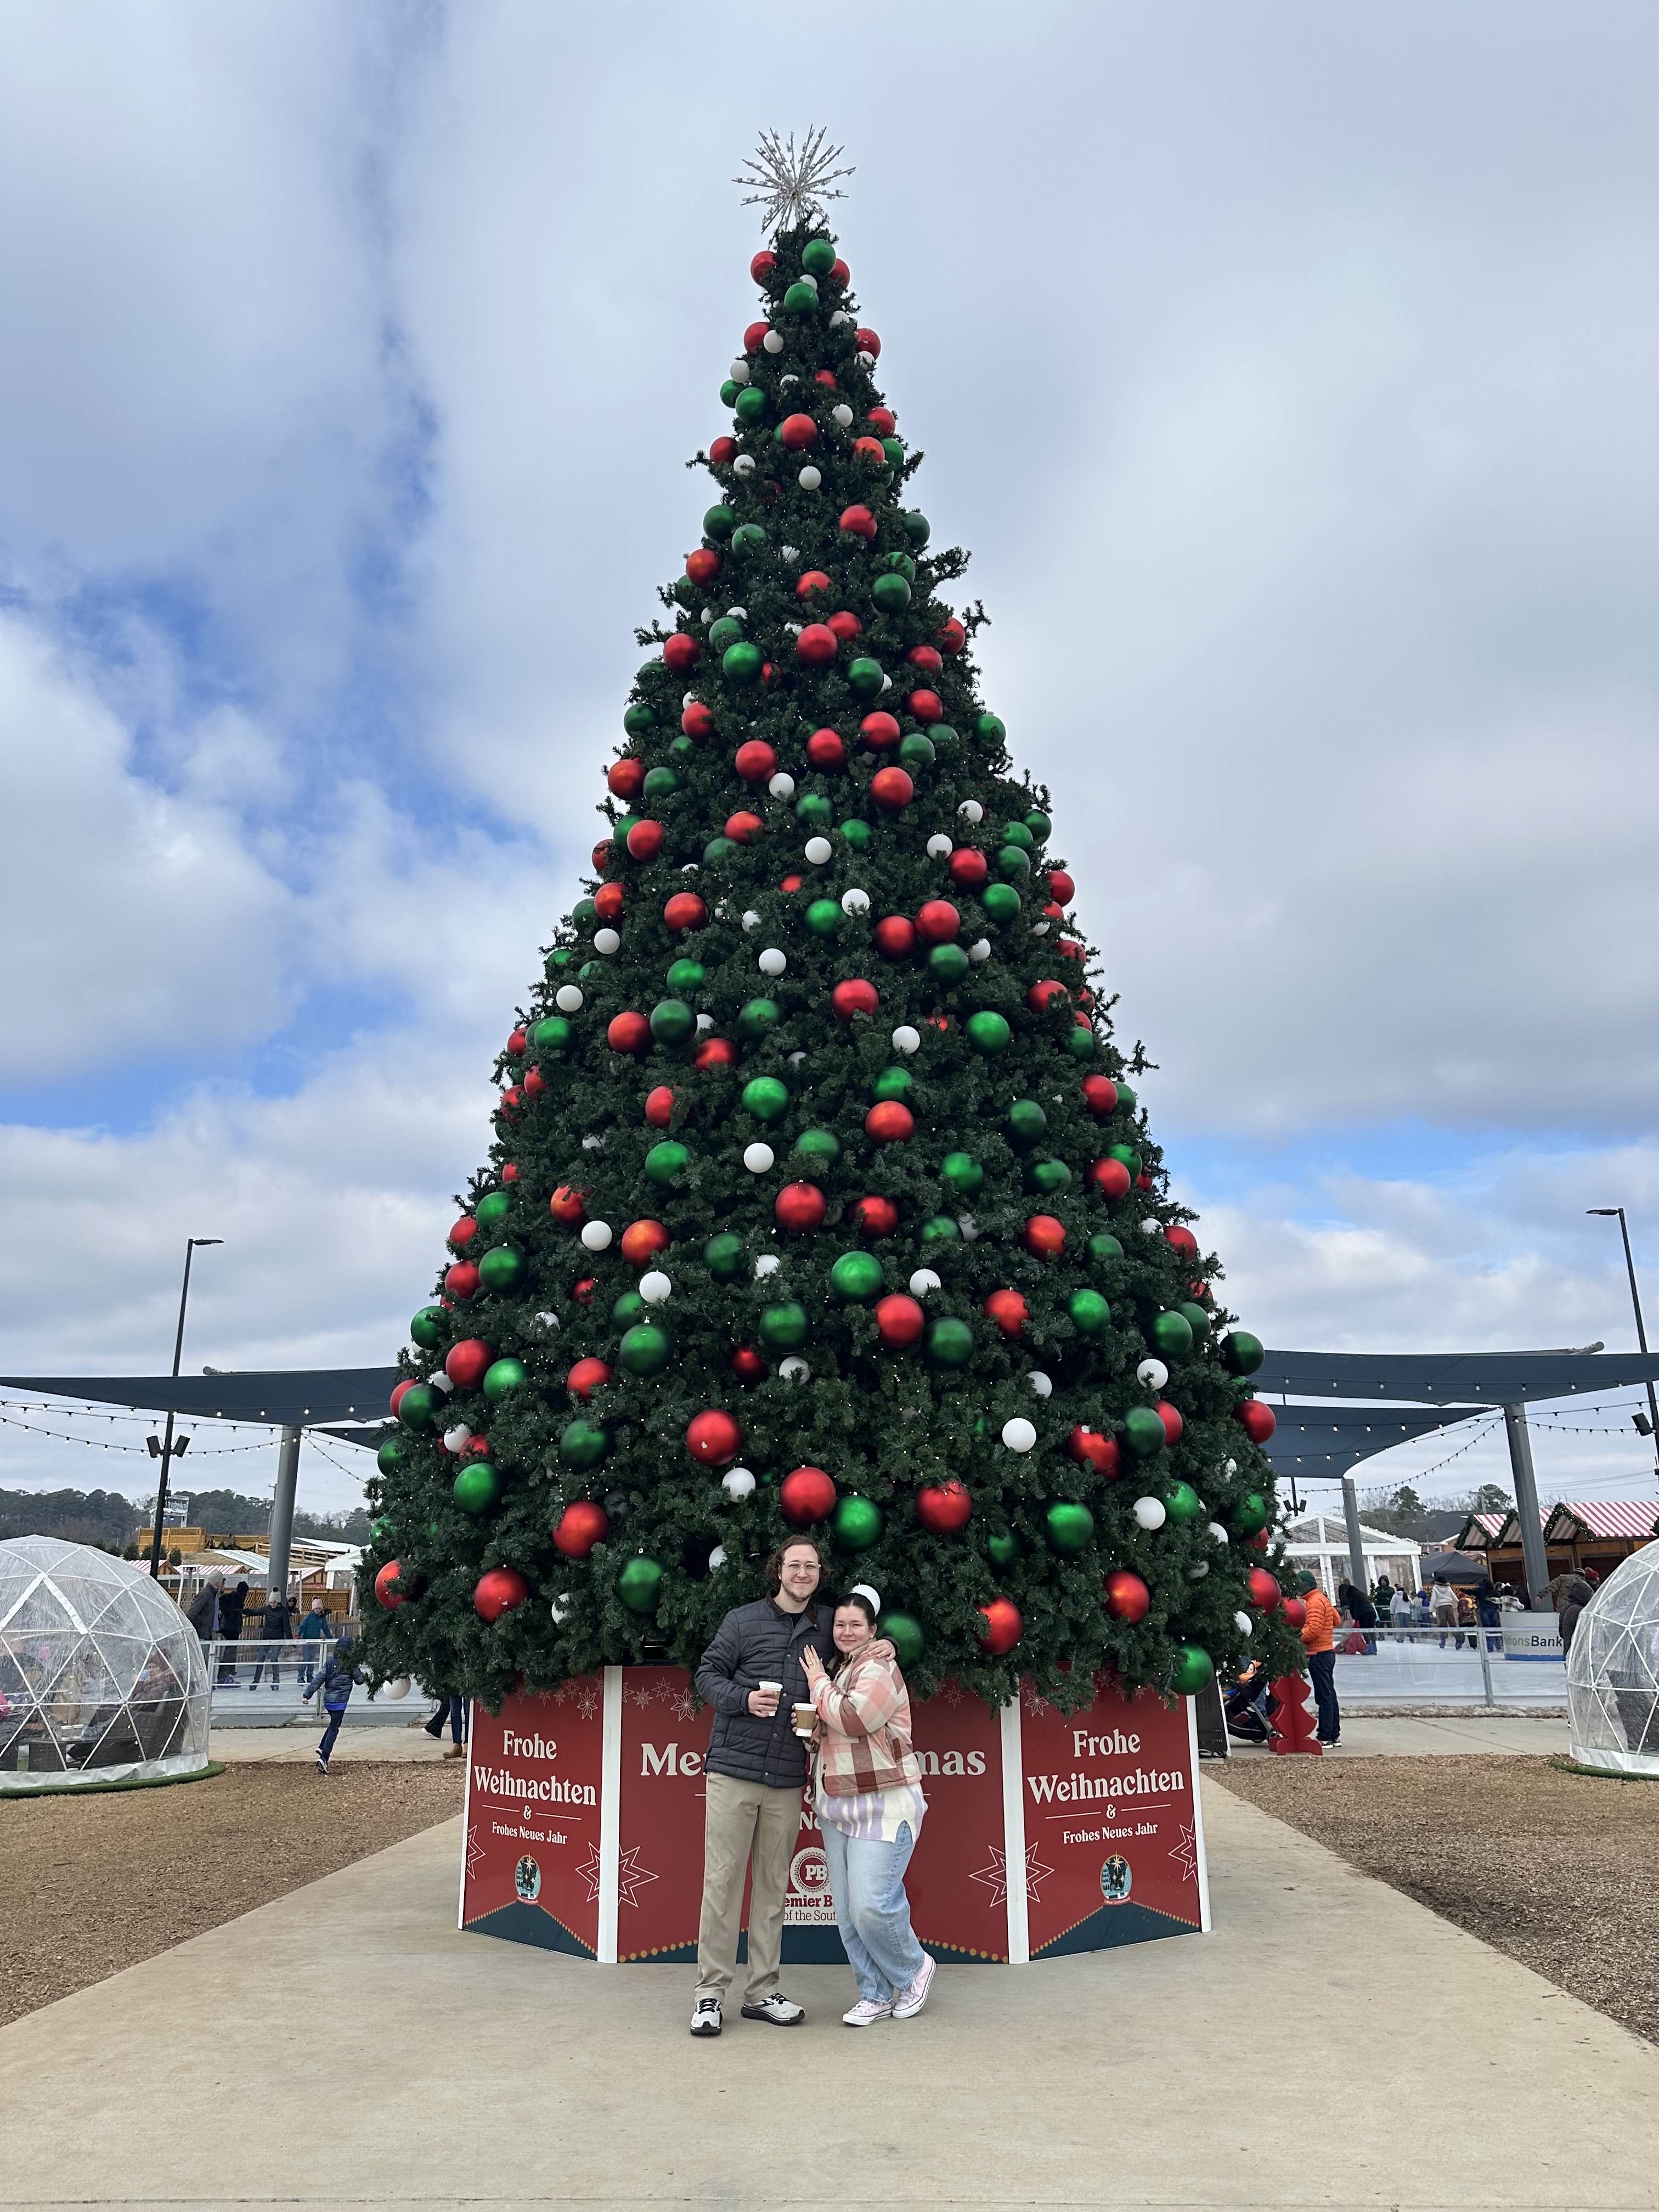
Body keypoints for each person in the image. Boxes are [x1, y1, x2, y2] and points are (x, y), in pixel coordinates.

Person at [689, 1536, 834, 2039]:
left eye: (810, 1566)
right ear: (778, 1571)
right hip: (734, 1770)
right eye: (794, 1565)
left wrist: (889, 1644)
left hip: (788, 1777)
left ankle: (762, 1992)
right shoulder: (743, 1620)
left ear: (820, 1573)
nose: (801, 1573)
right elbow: (707, 1675)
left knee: (774, 1890)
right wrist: (744, 1699)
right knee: (722, 1885)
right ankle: (710, 1995)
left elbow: (863, 1649)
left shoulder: (828, 1627)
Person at [800, 1594, 935, 2027]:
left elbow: (856, 1719)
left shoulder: (879, 1667)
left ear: (873, 1630)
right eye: (840, 1625)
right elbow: (835, 1734)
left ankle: (914, 1969)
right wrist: (811, 1729)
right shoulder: (842, 1670)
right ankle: (874, 1993)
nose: (846, 1632)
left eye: (856, 1624)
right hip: (838, 1806)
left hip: (884, 1802)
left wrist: (818, 1683)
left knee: (872, 1905)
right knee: (846, 1914)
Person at [301, 1624, 368, 1773]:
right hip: (340, 1702)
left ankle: (322, 1746)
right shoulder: (351, 1663)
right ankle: (324, 1757)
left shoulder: (330, 1662)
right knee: (335, 1728)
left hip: (329, 1702)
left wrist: (307, 1695)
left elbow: (318, 1679)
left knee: (332, 1725)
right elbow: (360, 1680)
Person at [1299, 1580, 1341, 1745]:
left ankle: (1325, 1736)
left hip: (1319, 1654)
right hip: (1328, 1652)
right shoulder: (1322, 1599)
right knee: (1330, 1694)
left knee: (1324, 1696)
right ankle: (1334, 1734)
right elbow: (1336, 1620)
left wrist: (1294, 1635)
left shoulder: (1314, 1602)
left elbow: (1312, 1631)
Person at [251, 1587, 296, 1689]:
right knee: (261, 1659)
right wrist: (244, 1611)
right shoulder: (267, 1609)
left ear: (278, 1602)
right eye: (271, 1602)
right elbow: (255, 1611)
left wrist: (290, 1640)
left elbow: (287, 1627)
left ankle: (276, 1680)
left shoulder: (283, 1612)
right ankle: (256, 1681)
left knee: (274, 1658)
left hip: (277, 1639)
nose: (273, 1605)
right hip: (266, 1638)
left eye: (275, 1603)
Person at [216, 1579, 249, 1685]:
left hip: (231, 1629)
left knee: (230, 1653)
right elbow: (225, 1605)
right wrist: (231, 1614)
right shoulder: (235, 1599)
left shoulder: (233, 1598)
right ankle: (225, 1676)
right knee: (230, 1654)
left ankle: (226, 1675)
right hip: (231, 1630)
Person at [296, 1597, 331, 1688]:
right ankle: (301, 1676)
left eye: (319, 1609)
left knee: (311, 1659)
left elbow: (326, 1629)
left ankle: (309, 1676)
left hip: (315, 1641)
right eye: (316, 1608)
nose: (318, 1610)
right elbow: (302, 1626)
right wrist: (298, 1635)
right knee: (306, 1659)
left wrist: (330, 1638)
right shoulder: (309, 1617)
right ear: (313, 1608)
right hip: (307, 1641)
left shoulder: (322, 1618)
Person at [1338, 1580, 1378, 1656]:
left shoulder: (1352, 1596)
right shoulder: (1361, 1594)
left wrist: (1353, 1617)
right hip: (1372, 1613)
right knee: (1371, 1630)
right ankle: (1374, 1646)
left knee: (1364, 1630)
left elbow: (1352, 1607)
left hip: (1363, 1614)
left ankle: (1368, 1646)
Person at [424, 1692, 468, 1757]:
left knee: (468, 1710)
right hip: (452, 1686)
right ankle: (457, 1745)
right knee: (454, 1710)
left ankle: (468, 1744)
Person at [1429, 1575, 1463, 1649]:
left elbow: (1434, 1599)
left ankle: (1443, 1640)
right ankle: (1458, 1640)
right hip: (1449, 1606)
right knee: (1452, 1623)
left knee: (1443, 1624)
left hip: (1441, 1607)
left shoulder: (1435, 1588)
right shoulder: (1448, 1587)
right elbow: (1454, 1596)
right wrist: (1459, 1603)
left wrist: (1431, 1610)